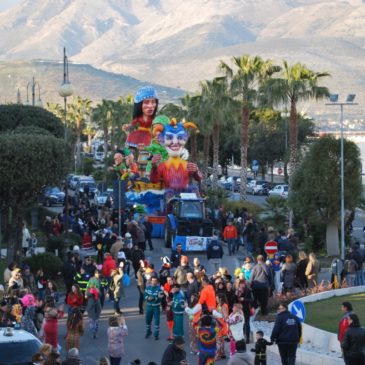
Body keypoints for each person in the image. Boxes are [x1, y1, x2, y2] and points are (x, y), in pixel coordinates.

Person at [144, 276, 164, 340]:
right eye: (152, 280)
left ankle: (156, 334)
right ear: (150, 281)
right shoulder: (147, 288)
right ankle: (148, 331)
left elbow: (160, 298)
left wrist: (154, 298)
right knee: (148, 320)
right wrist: (148, 298)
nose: (154, 282)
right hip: (149, 306)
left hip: (156, 307)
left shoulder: (159, 289)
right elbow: (145, 295)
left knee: (157, 320)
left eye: (155, 281)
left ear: (157, 282)